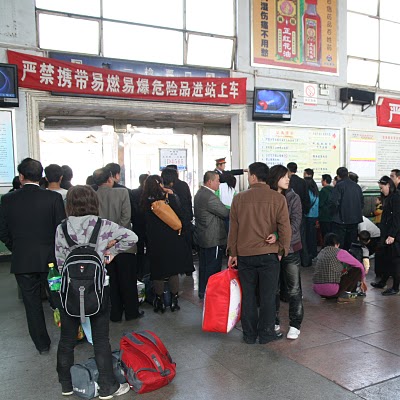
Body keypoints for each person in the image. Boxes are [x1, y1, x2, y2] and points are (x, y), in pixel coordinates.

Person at [55, 185, 134, 398]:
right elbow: (131, 237)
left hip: (69, 290)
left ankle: (66, 385)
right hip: (98, 288)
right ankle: (108, 387)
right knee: (101, 338)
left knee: (67, 339)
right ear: (94, 202)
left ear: (69, 204)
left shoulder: (62, 228)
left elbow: (61, 263)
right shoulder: (103, 225)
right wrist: (110, 253)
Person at [0, 158, 66, 354]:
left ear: (21, 177)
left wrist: (17, 248)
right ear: (42, 176)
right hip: (51, 261)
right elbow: (60, 230)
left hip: (23, 261)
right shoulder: (53, 198)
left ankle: (42, 344)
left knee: (32, 305)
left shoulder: (8, 199)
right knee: (58, 299)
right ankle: (70, 335)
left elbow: (2, 231)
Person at [227, 162, 291, 344]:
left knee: (248, 296)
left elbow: (234, 229)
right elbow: (284, 228)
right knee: (268, 296)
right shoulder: (278, 199)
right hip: (269, 255)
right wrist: (281, 249)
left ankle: (249, 335)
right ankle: (266, 333)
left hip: (245, 255)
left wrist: (233, 252)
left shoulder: (239, 198)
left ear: (253, 176)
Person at [93, 167, 142, 321]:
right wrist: (116, 238)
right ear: (110, 179)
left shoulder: (92, 196)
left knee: (111, 280)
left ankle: (115, 314)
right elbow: (126, 218)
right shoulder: (122, 193)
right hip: (124, 244)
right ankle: (131, 312)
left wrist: (107, 241)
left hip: (103, 247)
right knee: (128, 279)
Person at [141, 175, 193, 311]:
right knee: (172, 271)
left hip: (154, 241)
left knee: (158, 271)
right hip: (172, 239)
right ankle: (174, 301)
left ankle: (159, 302)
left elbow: (142, 222)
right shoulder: (168, 198)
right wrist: (172, 195)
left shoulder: (144, 201)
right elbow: (181, 215)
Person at [267, 165, 303, 340]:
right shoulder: (268, 198)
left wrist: (278, 236)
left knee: (294, 288)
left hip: (290, 249)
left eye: (288, 176)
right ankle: (273, 321)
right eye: (284, 177)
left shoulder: (293, 198)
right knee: (272, 288)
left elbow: (295, 225)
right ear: (275, 178)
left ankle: (295, 324)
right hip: (271, 250)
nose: (288, 179)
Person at [194, 171, 229, 300]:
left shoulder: (199, 193)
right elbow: (225, 213)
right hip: (212, 238)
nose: (219, 183)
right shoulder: (210, 196)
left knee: (203, 267)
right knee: (212, 268)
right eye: (217, 180)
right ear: (210, 182)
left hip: (203, 236)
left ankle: (203, 292)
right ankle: (212, 295)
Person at [313, 233, 366, 303]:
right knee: (357, 270)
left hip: (318, 290)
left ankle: (326, 296)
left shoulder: (321, 253)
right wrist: (362, 281)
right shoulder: (340, 252)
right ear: (337, 244)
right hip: (332, 290)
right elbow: (360, 265)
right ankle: (346, 296)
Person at [161, 167, 194, 275]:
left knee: (175, 247)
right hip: (185, 219)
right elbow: (188, 201)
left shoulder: (165, 189)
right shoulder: (183, 185)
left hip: (171, 222)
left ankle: (176, 270)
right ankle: (188, 268)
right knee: (186, 246)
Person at [371, 176, 400, 295]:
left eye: (382, 188)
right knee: (387, 259)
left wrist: (392, 235)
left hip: (394, 235)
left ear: (388, 185)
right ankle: (383, 282)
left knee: (395, 261)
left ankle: (395, 287)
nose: (381, 190)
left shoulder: (396, 198)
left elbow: (397, 218)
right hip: (388, 234)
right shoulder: (389, 198)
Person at [330, 167, 364, 250]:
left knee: (340, 244)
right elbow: (362, 203)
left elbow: (334, 203)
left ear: (338, 176)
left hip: (340, 220)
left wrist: (332, 214)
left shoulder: (338, 186)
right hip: (354, 220)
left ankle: (340, 262)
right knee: (351, 244)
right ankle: (351, 261)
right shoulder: (357, 187)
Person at [287, 162, 311, 267]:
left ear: (288, 170)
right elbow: (307, 199)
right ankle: (305, 261)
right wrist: (304, 212)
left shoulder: (287, 181)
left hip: (288, 215)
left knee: (290, 238)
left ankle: (290, 260)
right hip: (301, 214)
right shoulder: (303, 182)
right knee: (302, 238)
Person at [131, 174, 149, 278]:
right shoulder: (148, 193)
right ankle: (146, 271)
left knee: (139, 250)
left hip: (137, 225)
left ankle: (139, 272)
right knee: (149, 249)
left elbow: (133, 210)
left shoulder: (133, 192)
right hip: (147, 225)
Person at [349, 230, 371, 296]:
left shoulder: (352, 245)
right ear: (369, 240)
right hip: (360, 267)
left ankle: (351, 289)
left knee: (352, 279)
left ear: (358, 238)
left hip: (351, 266)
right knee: (361, 280)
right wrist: (366, 268)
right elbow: (366, 260)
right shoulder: (365, 249)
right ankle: (359, 291)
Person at [304, 171, 319, 261]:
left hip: (308, 216)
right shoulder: (316, 191)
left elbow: (306, 203)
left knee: (308, 236)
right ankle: (313, 253)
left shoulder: (308, 192)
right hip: (315, 215)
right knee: (313, 236)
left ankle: (309, 253)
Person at [319, 174, 334, 240]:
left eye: (322, 180)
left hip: (324, 217)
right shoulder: (334, 189)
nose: (321, 181)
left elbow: (320, 203)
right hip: (333, 216)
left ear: (324, 180)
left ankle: (326, 248)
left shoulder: (323, 190)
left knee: (325, 235)